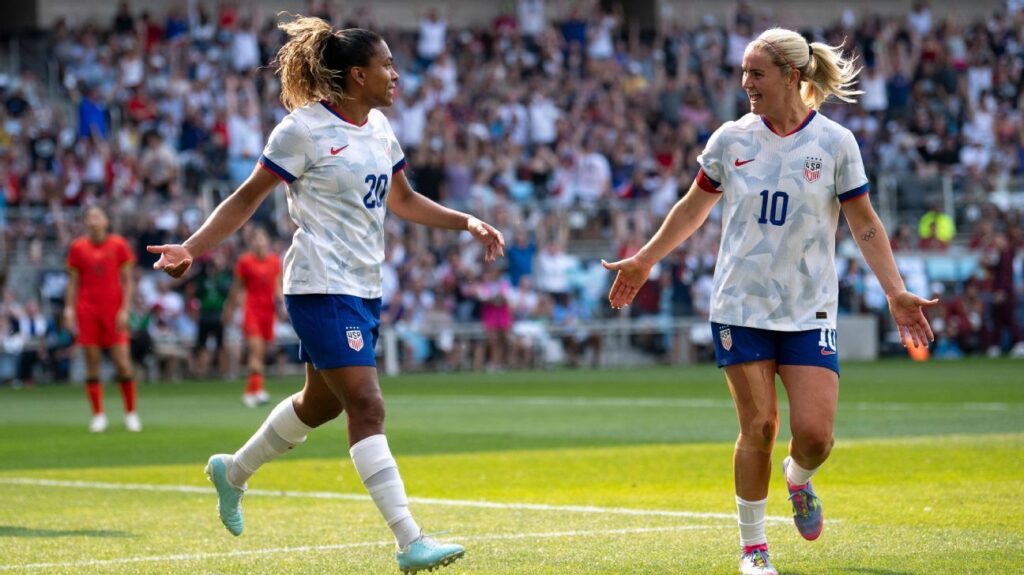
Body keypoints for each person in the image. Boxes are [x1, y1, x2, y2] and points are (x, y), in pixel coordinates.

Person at [147, 17, 504, 574]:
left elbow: (403, 201)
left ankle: (232, 471)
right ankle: (410, 539)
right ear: (357, 74)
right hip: (319, 283)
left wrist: (467, 222)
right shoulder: (301, 130)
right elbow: (246, 199)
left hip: (365, 287)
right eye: (386, 65)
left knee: (322, 404)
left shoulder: (381, 126)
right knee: (367, 404)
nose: (396, 74)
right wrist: (191, 247)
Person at [602, 28, 938, 575]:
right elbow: (692, 208)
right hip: (740, 304)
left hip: (809, 309)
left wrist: (895, 291)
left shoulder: (835, 143)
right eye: (743, 73)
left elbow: (865, 224)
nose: (746, 83)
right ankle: (753, 550)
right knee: (759, 425)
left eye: (756, 73)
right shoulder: (730, 140)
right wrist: (645, 259)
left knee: (814, 437)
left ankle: (798, 479)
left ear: (791, 76)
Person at [65, 205, 141, 433]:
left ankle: (130, 413)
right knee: (92, 363)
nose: (93, 221)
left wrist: (125, 308)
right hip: (87, 310)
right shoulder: (78, 248)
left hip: (113, 310)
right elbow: (73, 283)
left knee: (123, 363)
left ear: (106, 221)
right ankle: (98, 415)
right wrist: (69, 308)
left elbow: (128, 281)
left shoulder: (118, 245)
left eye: (97, 216)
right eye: (89, 217)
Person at [223, 228, 282, 406]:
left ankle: (251, 392)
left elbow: (278, 285)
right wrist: (230, 309)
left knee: (262, 352)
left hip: (269, 312)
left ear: (267, 241)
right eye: (256, 239)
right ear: (251, 242)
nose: (259, 242)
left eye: (262, 238)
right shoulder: (245, 261)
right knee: (255, 349)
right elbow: (237, 288)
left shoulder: (274, 261)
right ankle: (258, 391)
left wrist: (284, 304)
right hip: (252, 310)